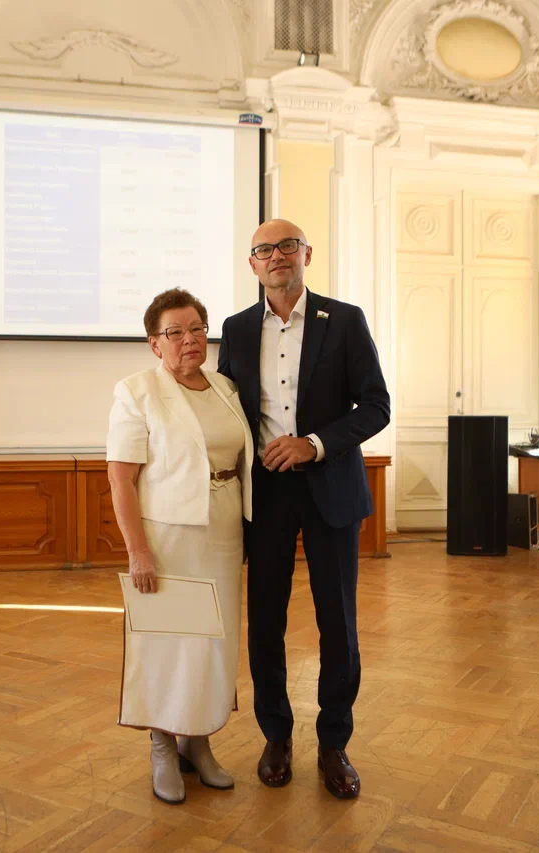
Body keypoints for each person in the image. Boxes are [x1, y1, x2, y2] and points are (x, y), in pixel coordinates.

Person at [218, 219, 390, 800]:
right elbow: (226, 409)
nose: (277, 256)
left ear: (306, 254)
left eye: (287, 246)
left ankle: (334, 743)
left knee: (337, 622)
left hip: (330, 488)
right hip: (264, 495)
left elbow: (376, 405)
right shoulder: (237, 329)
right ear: (253, 264)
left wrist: (313, 444)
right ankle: (276, 736)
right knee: (265, 621)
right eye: (264, 250)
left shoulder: (344, 320)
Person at [106, 288, 254, 805]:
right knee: (169, 642)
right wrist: (138, 552)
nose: (189, 340)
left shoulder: (225, 387)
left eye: (196, 329)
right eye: (175, 332)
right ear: (155, 343)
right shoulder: (137, 391)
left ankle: (198, 741)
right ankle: (163, 745)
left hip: (223, 531)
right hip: (168, 537)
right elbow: (121, 480)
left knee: (213, 642)